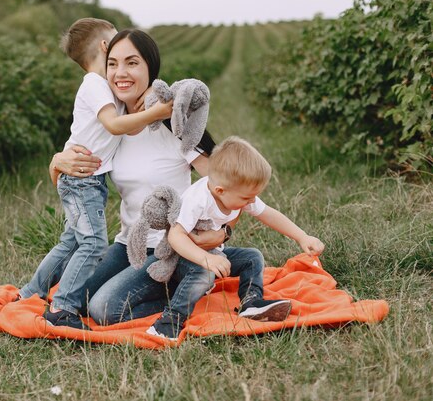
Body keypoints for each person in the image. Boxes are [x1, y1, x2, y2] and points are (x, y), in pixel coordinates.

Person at [48, 28, 225, 324]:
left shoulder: (171, 123)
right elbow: (73, 190)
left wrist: (222, 232)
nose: (120, 73)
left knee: (104, 309)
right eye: (113, 64)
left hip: (172, 246)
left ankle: (187, 284)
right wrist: (56, 164)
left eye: (132, 63)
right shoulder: (110, 128)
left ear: (150, 68)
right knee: (77, 299)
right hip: (128, 244)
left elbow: (224, 184)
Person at [17, 19, 172, 330]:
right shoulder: (94, 84)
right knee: (92, 244)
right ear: (105, 46)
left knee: (71, 242)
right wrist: (156, 112)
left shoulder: (104, 86)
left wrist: (155, 91)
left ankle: (31, 293)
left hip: (86, 180)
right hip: (82, 179)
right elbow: (114, 126)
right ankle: (62, 308)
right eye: (116, 44)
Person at [145, 136, 325, 340]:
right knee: (204, 273)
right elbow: (176, 237)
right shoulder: (197, 200)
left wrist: (302, 237)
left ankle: (251, 303)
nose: (251, 202)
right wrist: (206, 259)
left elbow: (268, 213)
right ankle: (169, 321)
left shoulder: (234, 192)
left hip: (211, 254)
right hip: (183, 258)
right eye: (247, 198)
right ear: (220, 190)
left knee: (252, 257)